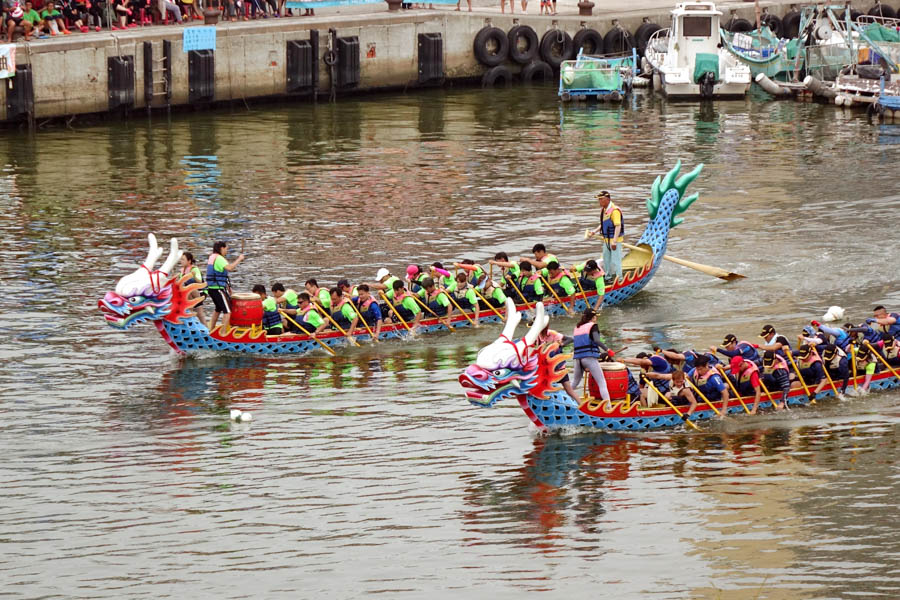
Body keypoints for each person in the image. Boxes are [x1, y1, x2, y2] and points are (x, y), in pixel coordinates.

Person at [570, 308, 612, 405]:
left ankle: (563, 400)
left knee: (575, 382)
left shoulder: (577, 327)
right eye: (595, 316)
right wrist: (608, 350)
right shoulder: (593, 326)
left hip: (578, 359)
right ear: (593, 317)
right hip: (589, 358)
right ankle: (609, 407)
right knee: (602, 383)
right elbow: (597, 340)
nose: (596, 318)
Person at [206, 240, 245, 332]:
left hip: (211, 288)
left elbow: (222, 274)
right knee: (228, 312)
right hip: (218, 289)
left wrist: (228, 287)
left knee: (218, 309)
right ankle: (223, 333)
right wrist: (239, 259)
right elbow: (230, 268)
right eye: (226, 249)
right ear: (221, 248)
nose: (226, 251)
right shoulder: (219, 258)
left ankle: (211, 330)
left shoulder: (212, 257)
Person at [586, 191, 624, 283]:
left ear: (607, 199)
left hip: (614, 240)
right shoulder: (604, 210)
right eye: (599, 199)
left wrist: (614, 241)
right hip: (606, 239)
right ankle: (608, 277)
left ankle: (619, 279)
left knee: (616, 260)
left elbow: (618, 226)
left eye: (601, 199)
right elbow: (603, 224)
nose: (599, 201)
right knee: (606, 259)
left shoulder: (614, 211)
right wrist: (594, 231)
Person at [537, 324, 578, 401]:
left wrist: (561, 344)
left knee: (569, 390)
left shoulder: (552, 333)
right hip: (547, 370)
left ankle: (580, 405)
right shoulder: (537, 336)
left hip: (559, 367)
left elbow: (570, 339)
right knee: (544, 390)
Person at [179, 252, 206, 325]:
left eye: (183, 259)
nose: (181, 261)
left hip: (200, 293)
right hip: (190, 294)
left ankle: (190, 317)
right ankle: (191, 322)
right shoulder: (182, 271)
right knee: (199, 314)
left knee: (199, 313)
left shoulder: (195, 269)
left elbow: (199, 281)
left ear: (189, 261)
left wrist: (193, 275)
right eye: (181, 259)